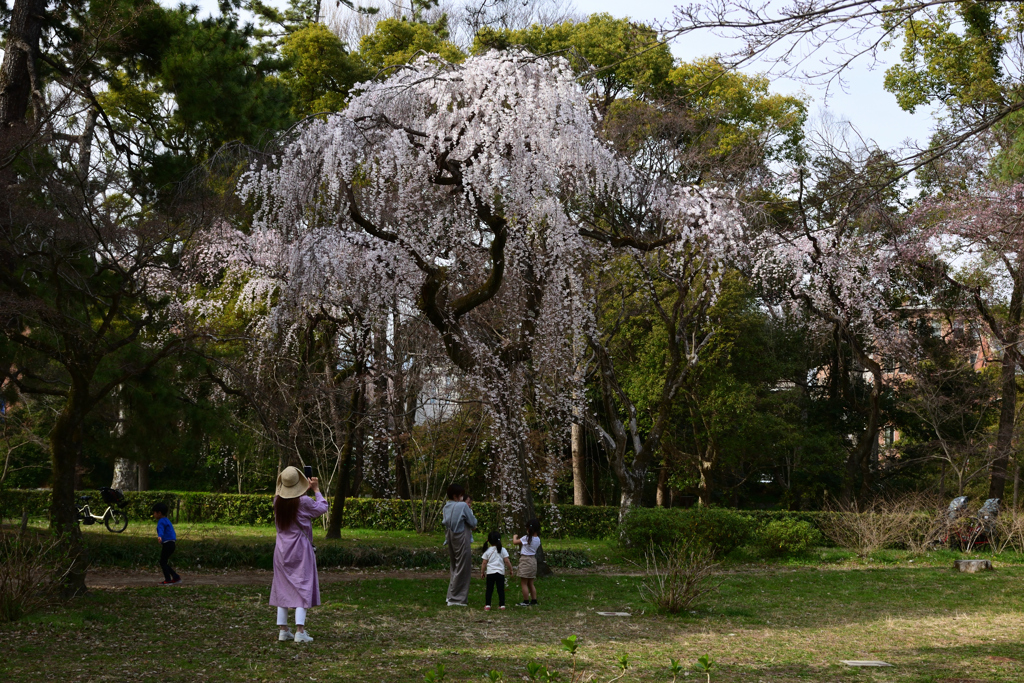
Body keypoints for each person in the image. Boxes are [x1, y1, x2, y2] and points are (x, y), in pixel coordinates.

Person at [269, 466, 329, 643]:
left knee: (282, 586)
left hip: (281, 549)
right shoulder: (304, 502)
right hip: (300, 549)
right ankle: (300, 631)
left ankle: (283, 630)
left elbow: (286, 497)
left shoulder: (277, 501)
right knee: (303, 584)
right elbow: (322, 507)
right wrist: (316, 490)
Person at [442, 483, 477, 606]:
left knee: (455, 567)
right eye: (461, 495)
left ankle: (450, 595)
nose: (462, 497)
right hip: (461, 537)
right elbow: (473, 522)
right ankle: (456, 599)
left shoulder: (446, 506)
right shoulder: (462, 506)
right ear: (455, 495)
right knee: (463, 568)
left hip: (450, 537)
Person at [480, 531, 512, 611]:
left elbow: (484, 562)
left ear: (489, 540)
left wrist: (482, 572)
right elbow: (507, 561)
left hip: (490, 573)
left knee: (489, 590)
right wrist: (511, 569)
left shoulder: (487, 551)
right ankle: (502, 605)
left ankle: (488, 605)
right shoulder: (503, 550)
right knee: (500, 590)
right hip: (500, 573)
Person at [512, 518, 541, 606]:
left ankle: (526, 601)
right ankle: (534, 600)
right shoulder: (538, 539)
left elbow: (515, 542)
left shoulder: (526, 538)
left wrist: (515, 536)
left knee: (524, 583)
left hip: (525, 560)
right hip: (533, 560)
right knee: (531, 583)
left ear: (528, 529)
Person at [151, 502, 181, 585]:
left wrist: (160, 536)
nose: (154, 514)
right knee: (163, 562)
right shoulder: (167, 520)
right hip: (172, 544)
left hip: (167, 544)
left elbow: (161, 529)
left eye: (154, 513)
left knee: (163, 562)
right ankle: (175, 577)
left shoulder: (161, 521)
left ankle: (168, 579)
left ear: (159, 513)